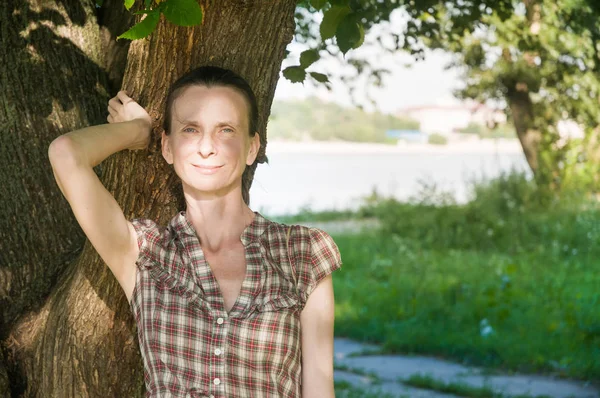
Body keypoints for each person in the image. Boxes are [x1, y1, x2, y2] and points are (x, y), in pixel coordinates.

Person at [48, 66, 342, 398]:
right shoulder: (144, 253)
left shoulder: (303, 252)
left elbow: (320, 390)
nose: (206, 147)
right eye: (190, 130)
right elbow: (66, 154)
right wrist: (139, 130)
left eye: (226, 130)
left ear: (251, 148)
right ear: (168, 147)